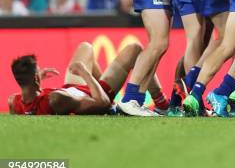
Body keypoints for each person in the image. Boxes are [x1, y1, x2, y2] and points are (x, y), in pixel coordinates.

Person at [9, 41, 167, 115]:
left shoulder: (14, 102)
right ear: (36, 79)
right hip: (95, 93)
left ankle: (96, 77)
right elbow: (102, 103)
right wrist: (85, 73)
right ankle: (161, 102)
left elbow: (32, 103)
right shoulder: (56, 99)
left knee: (86, 47)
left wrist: (38, 80)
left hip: (71, 89)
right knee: (136, 49)